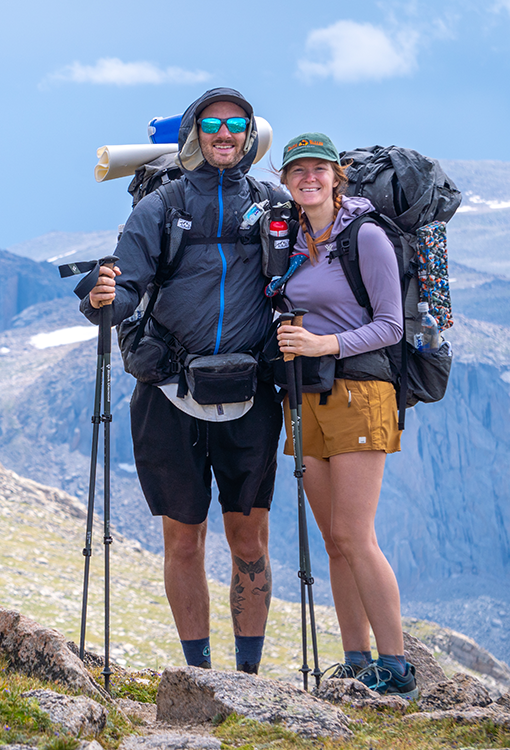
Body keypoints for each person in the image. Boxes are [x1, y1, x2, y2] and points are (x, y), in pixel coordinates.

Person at [81, 88, 287, 674]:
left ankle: (246, 680)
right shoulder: (158, 208)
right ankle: (199, 677)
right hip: (170, 393)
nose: (225, 133)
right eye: (214, 123)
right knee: (184, 540)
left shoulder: (272, 206)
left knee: (250, 542)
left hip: (249, 395)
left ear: (250, 135)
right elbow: (125, 286)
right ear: (195, 132)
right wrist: (104, 300)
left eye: (237, 124)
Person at [275, 132, 418, 698]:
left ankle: (398, 666)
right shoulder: (290, 242)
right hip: (306, 396)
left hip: (361, 390)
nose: (308, 178)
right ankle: (357, 660)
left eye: (318, 169)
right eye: (297, 171)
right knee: (333, 537)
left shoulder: (367, 237)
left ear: (338, 176)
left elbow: (391, 325)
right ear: (286, 182)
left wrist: (322, 345)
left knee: (356, 535)